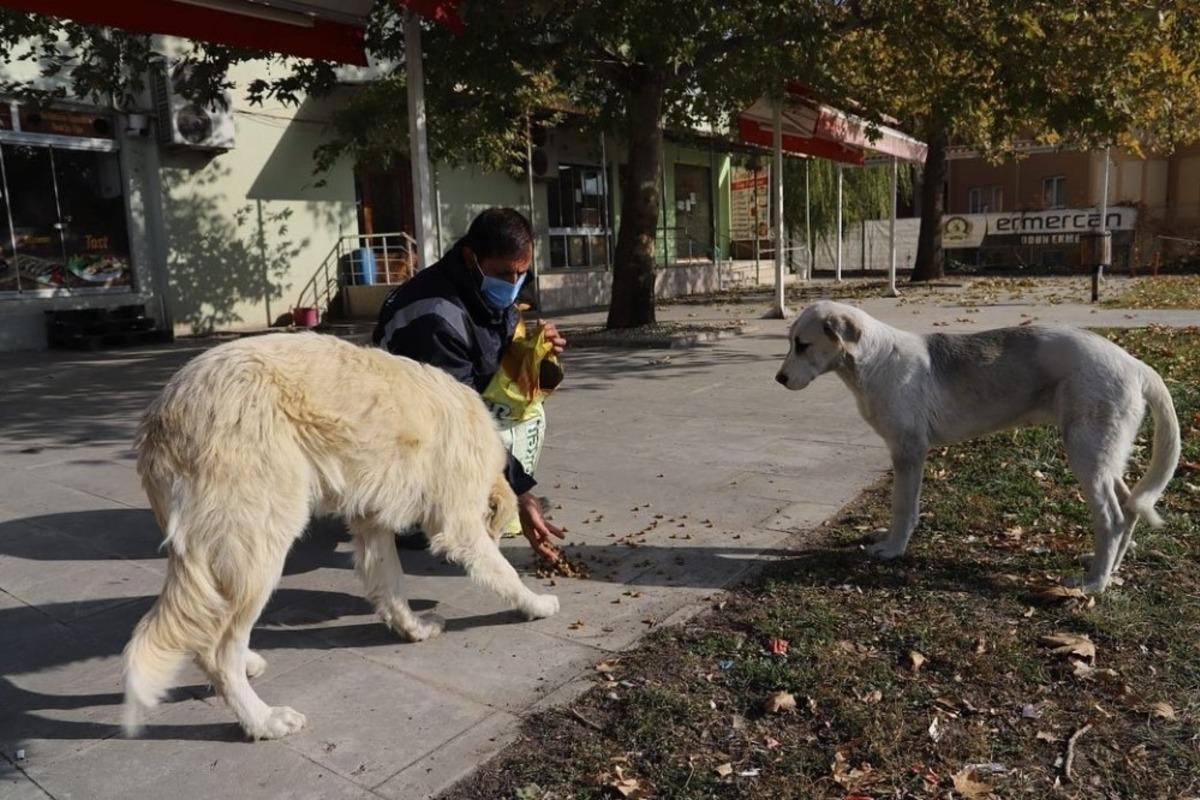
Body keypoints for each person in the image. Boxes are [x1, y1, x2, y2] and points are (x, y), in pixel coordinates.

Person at [372, 207, 567, 562]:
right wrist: (520, 493)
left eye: (521, 274)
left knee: (520, 412)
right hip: (397, 421)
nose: (513, 285)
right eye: (504, 274)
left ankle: (486, 493)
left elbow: (496, 347)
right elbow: (460, 422)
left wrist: (533, 350)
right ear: (471, 258)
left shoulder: (485, 287)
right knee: (458, 439)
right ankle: (416, 514)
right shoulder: (435, 319)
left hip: (455, 396)